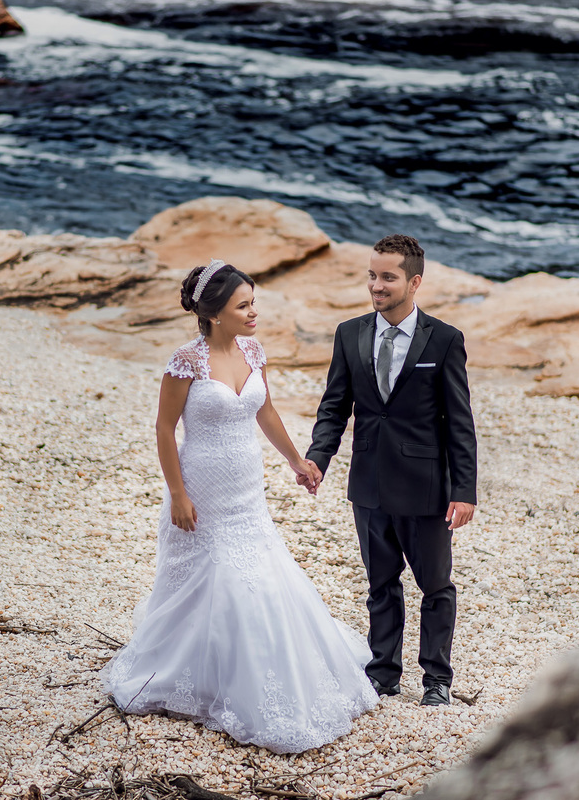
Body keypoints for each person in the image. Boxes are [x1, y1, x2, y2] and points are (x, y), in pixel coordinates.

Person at [102, 259, 378, 753]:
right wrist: (178, 494)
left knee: (263, 574)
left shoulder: (253, 350)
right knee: (214, 578)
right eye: (243, 306)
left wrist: (296, 461)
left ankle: (265, 669)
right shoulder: (186, 361)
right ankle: (198, 674)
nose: (254, 313)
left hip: (247, 489)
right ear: (213, 314)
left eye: (254, 303)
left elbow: (264, 410)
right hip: (201, 487)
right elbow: (165, 429)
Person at [300, 235, 477, 707]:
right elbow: (334, 407)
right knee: (380, 584)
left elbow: (460, 423)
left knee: (435, 586)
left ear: (414, 282)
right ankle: (382, 673)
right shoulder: (349, 334)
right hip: (369, 484)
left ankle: (436, 679)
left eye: (388, 277)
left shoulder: (444, 339)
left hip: (426, 489)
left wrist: (464, 490)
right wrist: (318, 458)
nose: (376, 286)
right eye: (372, 276)